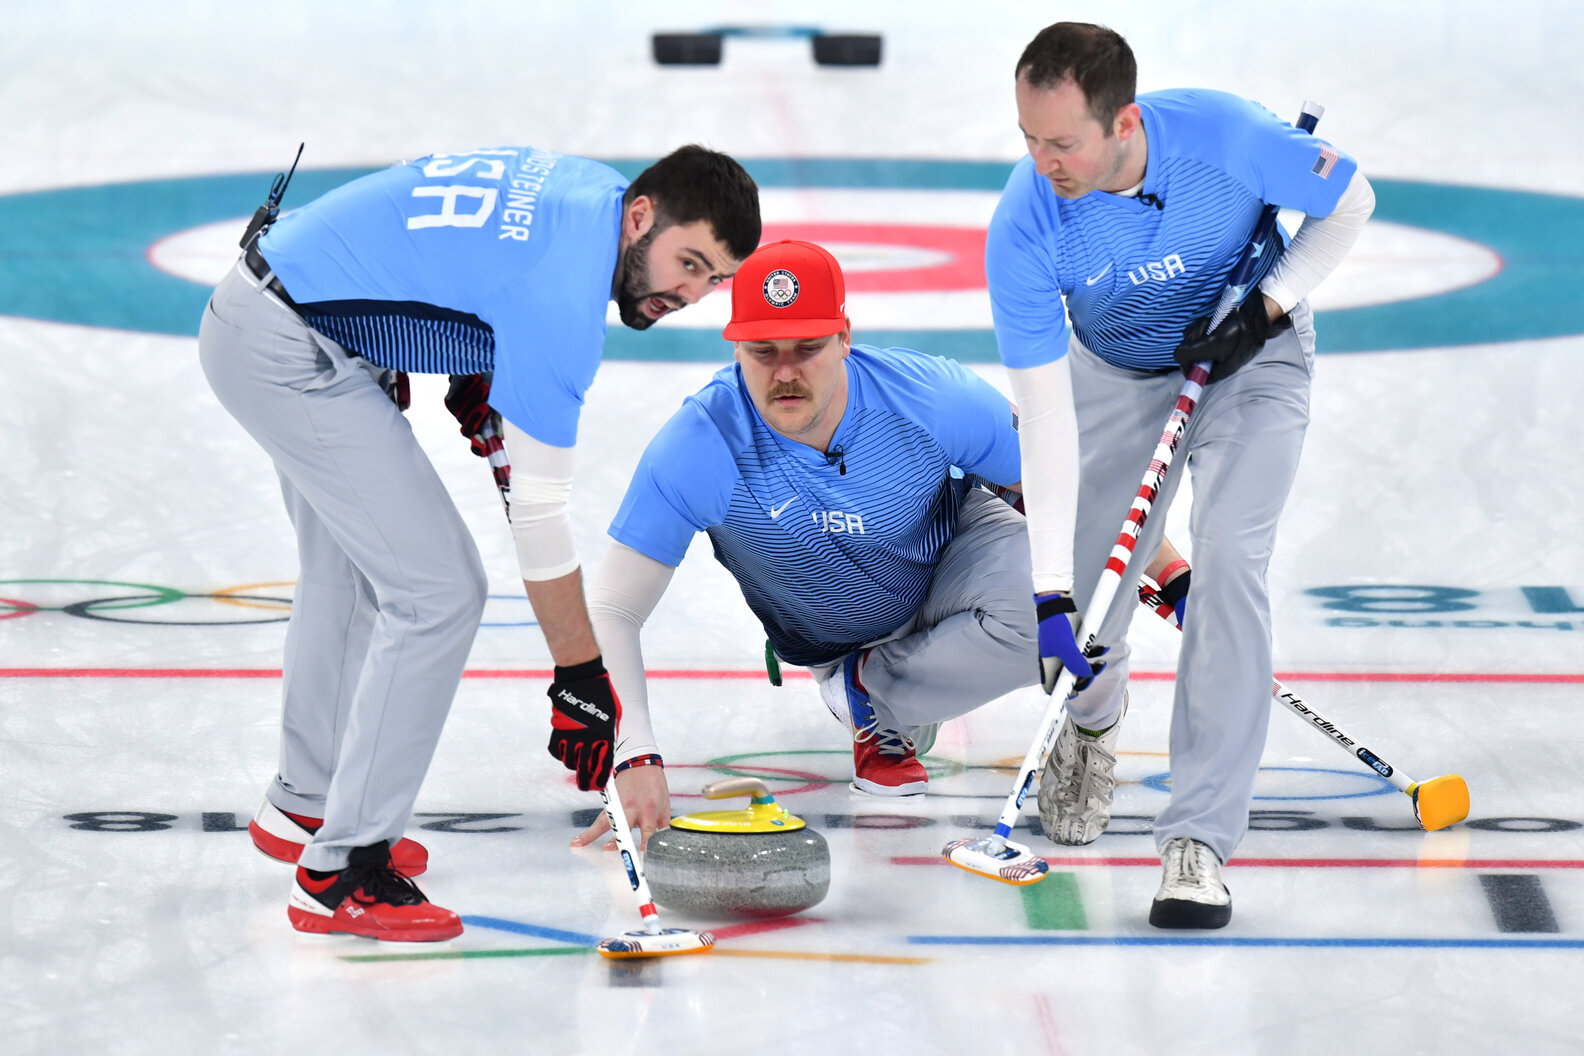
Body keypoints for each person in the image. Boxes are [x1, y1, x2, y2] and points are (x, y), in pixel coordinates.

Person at [198, 144, 761, 941]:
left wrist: (470, 357)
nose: (693, 294)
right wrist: (579, 677)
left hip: (284, 314)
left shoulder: (595, 199)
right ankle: (343, 870)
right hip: (291, 348)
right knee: (438, 591)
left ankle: (305, 805)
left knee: (351, 572)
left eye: (715, 280)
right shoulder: (565, 306)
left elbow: (468, 253)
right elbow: (540, 521)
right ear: (642, 218)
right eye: (690, 264)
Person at [985, 22, 1374, 928]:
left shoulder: (1227, 137)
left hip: (1252, 362)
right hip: (1115, 373)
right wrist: (1049, 594)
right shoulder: (1027, 222)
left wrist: (1266, 309)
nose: (1042, 163)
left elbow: (1348, 200)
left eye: (1062, 142)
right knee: (1092, 589)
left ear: (1123, 122)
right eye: (1029, 138)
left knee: (1230, 562)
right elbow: (1045, 419)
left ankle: (1197, 839)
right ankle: (1091, 717)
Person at [572, 238, 1097, 849]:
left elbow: (1065, 493)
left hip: (948, 565)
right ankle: (869, 692)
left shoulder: (931, 396)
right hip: (832, 631)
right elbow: (613, 608)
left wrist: (1170, 579)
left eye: (808, 347)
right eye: (763, 350)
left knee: (1074, 599)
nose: (785, 372)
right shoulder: (699, 445)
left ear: (844, 338)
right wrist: (633, 755)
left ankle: (876, 693)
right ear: (735, 348)